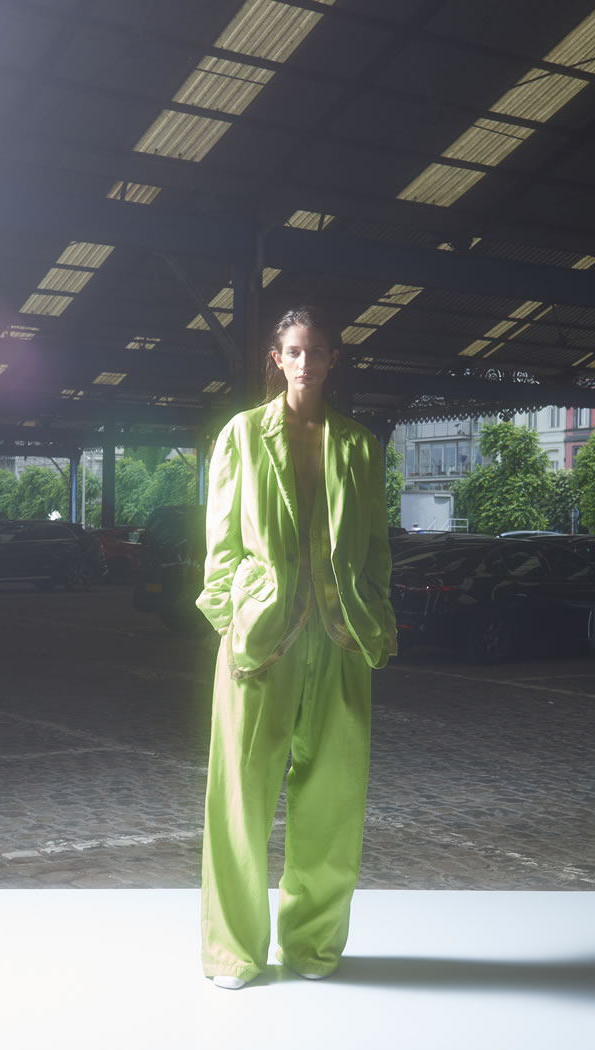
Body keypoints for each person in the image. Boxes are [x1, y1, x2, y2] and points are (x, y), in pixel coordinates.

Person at [195, 305, 397, 989]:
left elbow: (375, 545)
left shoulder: (359, 445)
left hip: (341, 641)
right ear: (276, 359)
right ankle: (234, 953)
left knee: (333, 802)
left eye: (317, 351)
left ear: (334, 358)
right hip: (261, 643)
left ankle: (312, 946)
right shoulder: (242, 435)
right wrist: (231, 619)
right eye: (294, 351)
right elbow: (220, 545)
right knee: (239, 800)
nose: (306, 362)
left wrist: (376, 617)